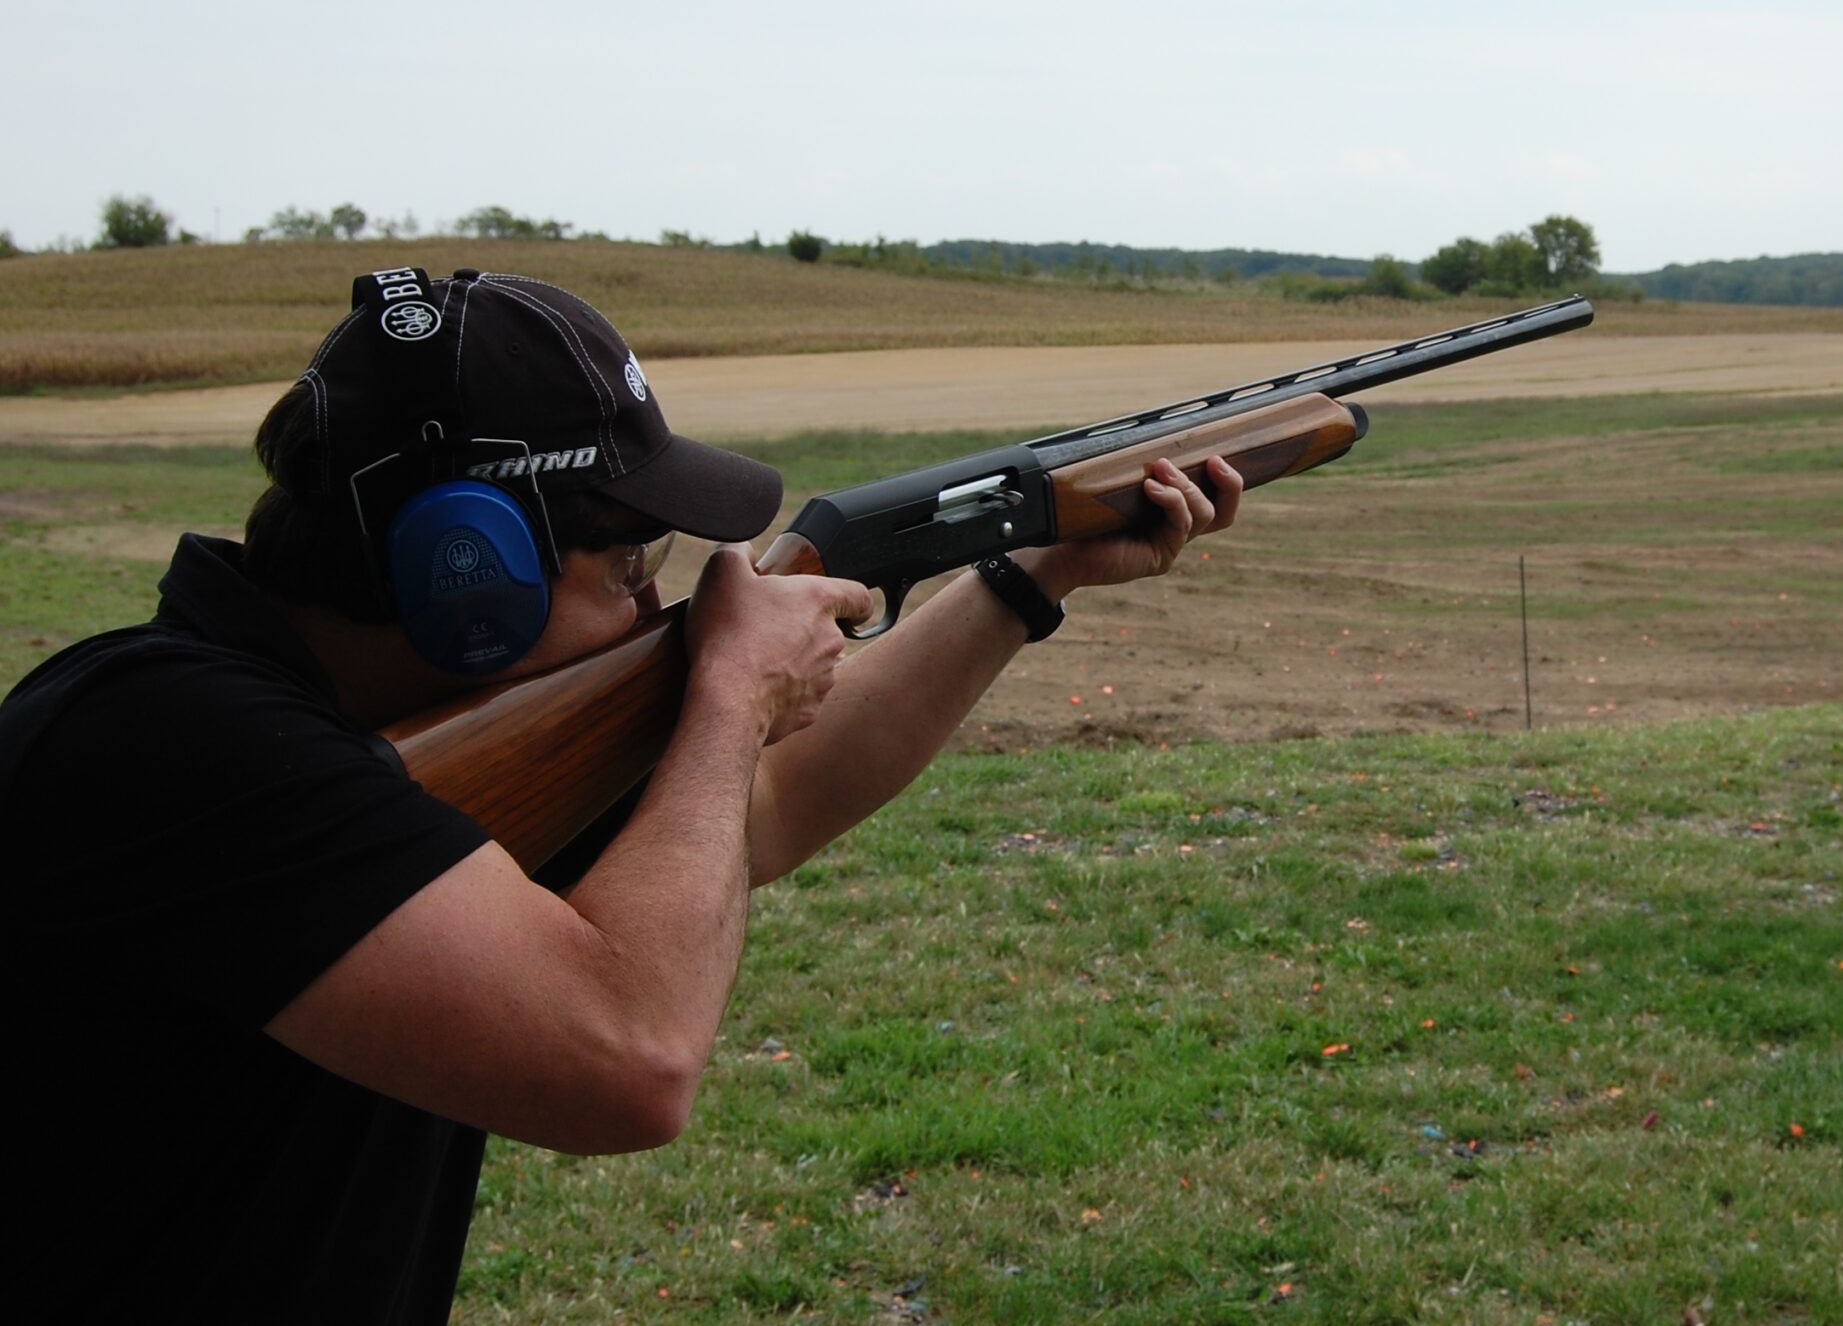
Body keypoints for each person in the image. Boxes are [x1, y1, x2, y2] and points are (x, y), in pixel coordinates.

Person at [0, 265, 1240, 1322]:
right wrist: (727, 698)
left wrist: (1029, 580)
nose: (655, 606)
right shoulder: (168, 742)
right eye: (627, 561)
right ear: (463, 568)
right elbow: (631, 1058)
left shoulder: (329, 739)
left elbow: (760, 809)